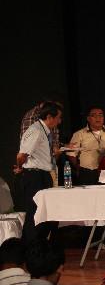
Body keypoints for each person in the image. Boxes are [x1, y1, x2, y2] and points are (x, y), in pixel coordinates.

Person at [15, 101, 65, 243]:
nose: (59, 121)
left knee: (44, 213)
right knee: (34, 214)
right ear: (49, 117)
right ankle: (30, 248)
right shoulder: (36, 130)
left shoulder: (44, 130)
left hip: (43, 174)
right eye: (58, 117)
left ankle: (39, 245)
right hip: (34, 176)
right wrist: (20, 167)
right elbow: (21, 155)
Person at [67, 106, 105, 185]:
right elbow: (71, 154)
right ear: (88, 118)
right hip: (87, 172)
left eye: (100, 115)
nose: (98, 118)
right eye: (94, 115)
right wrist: (78, 167)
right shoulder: (79, 134)